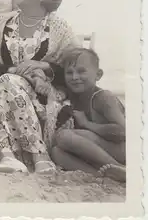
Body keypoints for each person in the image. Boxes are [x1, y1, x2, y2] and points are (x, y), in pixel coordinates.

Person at [0, 0, 80, 173]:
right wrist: (14, 70)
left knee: (9, 81)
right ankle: (7, 156)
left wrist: (45, 67)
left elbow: (76, 67)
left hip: (41, 101)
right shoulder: (2, 22)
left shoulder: (59, 27)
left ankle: (40, 156)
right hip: (2, 95)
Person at [51, 48, 126, 182]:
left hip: (121, 150)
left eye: (81, 71)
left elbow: (123, 132)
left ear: (98, 75)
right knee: (56, 152)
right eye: (69, 73)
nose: (74, 77)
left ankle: (120, 168)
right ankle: (100, 177)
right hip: (98, 151)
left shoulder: (103, 97)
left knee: (64, 135)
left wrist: (88, 124)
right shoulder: (74, 99)